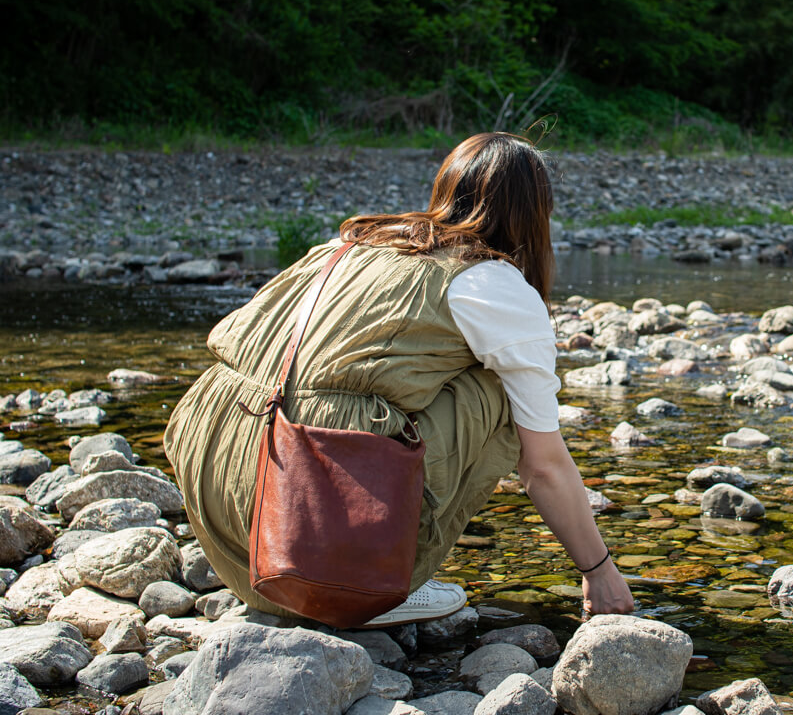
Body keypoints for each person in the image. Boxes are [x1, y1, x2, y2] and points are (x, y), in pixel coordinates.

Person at [163, 132, 635, 625]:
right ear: (535, 215)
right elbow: (543, 467)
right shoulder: (491, 283)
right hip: (316, 564)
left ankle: (330, 557)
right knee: (502, 391)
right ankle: (378, 579)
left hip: (229, 508)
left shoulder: (346, 244)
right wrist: (598, 570)